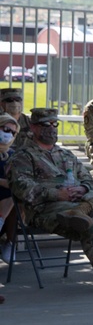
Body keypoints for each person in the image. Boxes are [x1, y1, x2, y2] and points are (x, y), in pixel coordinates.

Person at [7, 108, 93, 294]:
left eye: (55, 124)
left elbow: (87, 179)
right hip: (47, 210)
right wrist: (58, 194)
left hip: (78, 203)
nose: (52, 128)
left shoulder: (66, 155)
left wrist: (84, 189)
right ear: (33, 127)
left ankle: (83, 208)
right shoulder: (23, 156)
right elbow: (22, 189)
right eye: (45, 124)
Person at [0, 113, 20, 266]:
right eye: (5, 129)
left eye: (12, 132)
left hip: (8, 198)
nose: (8, 134)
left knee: (15, 194)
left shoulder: (12, 155)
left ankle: (10, 243)